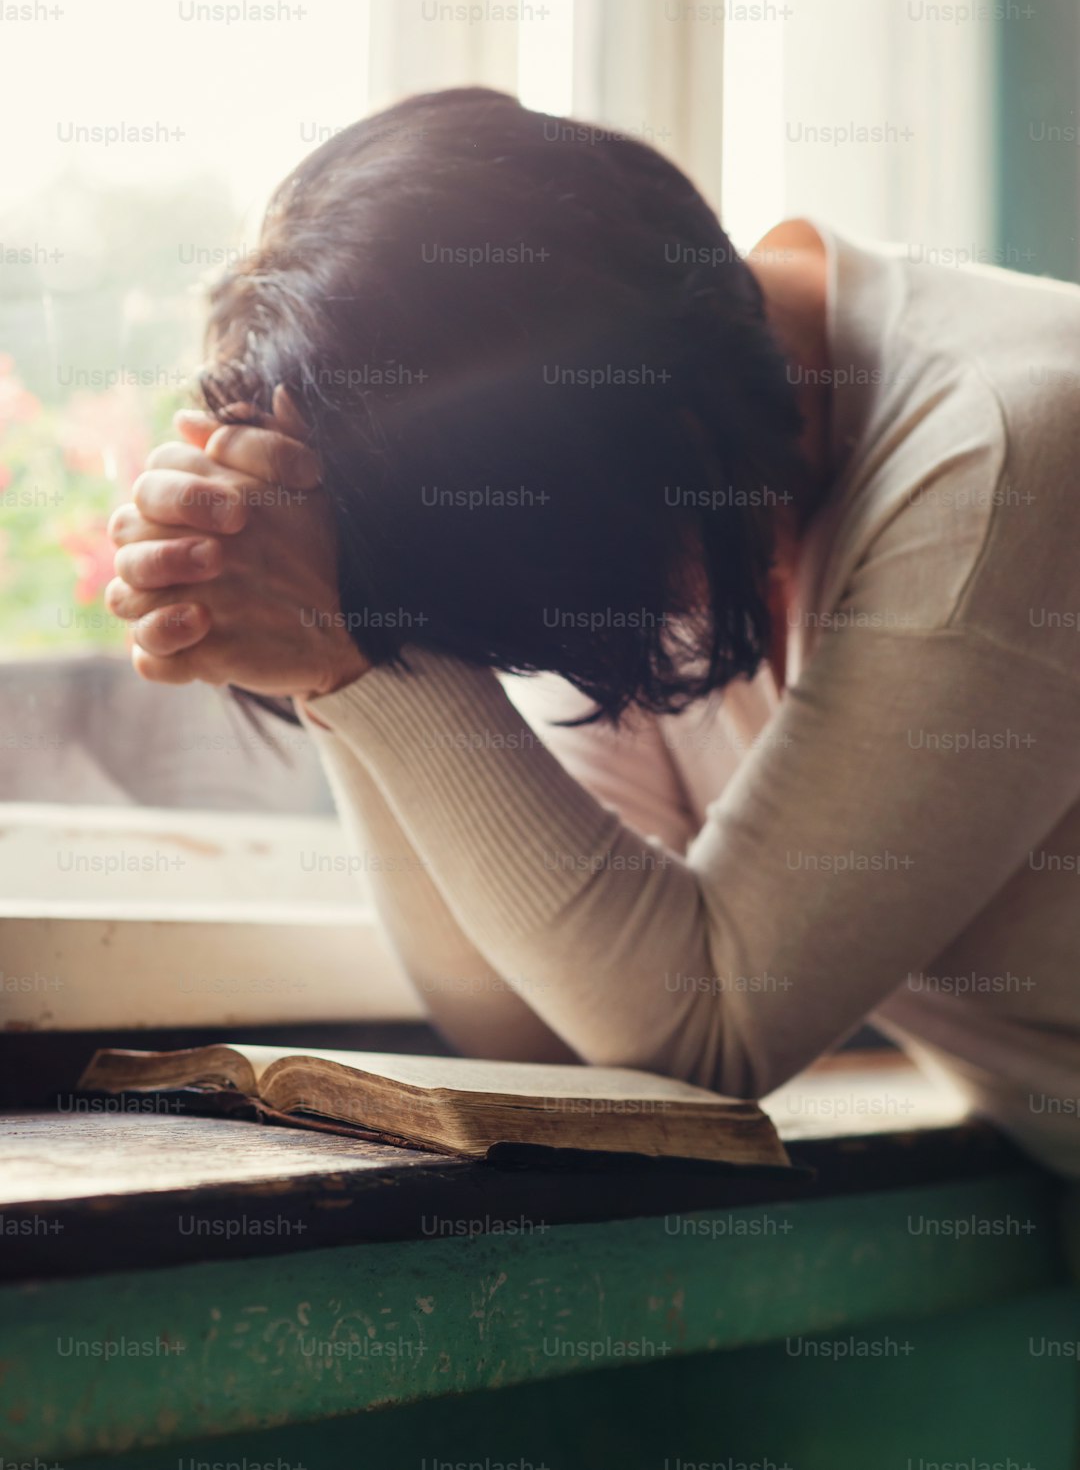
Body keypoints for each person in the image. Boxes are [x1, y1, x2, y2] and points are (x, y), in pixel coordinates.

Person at [106, 87, 1080, 1176]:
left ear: (676, 436)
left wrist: (350, 647)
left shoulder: (1011, 455)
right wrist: (328, 639)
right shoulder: (670, 469)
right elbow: (541, 1017)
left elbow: (707, 1036)